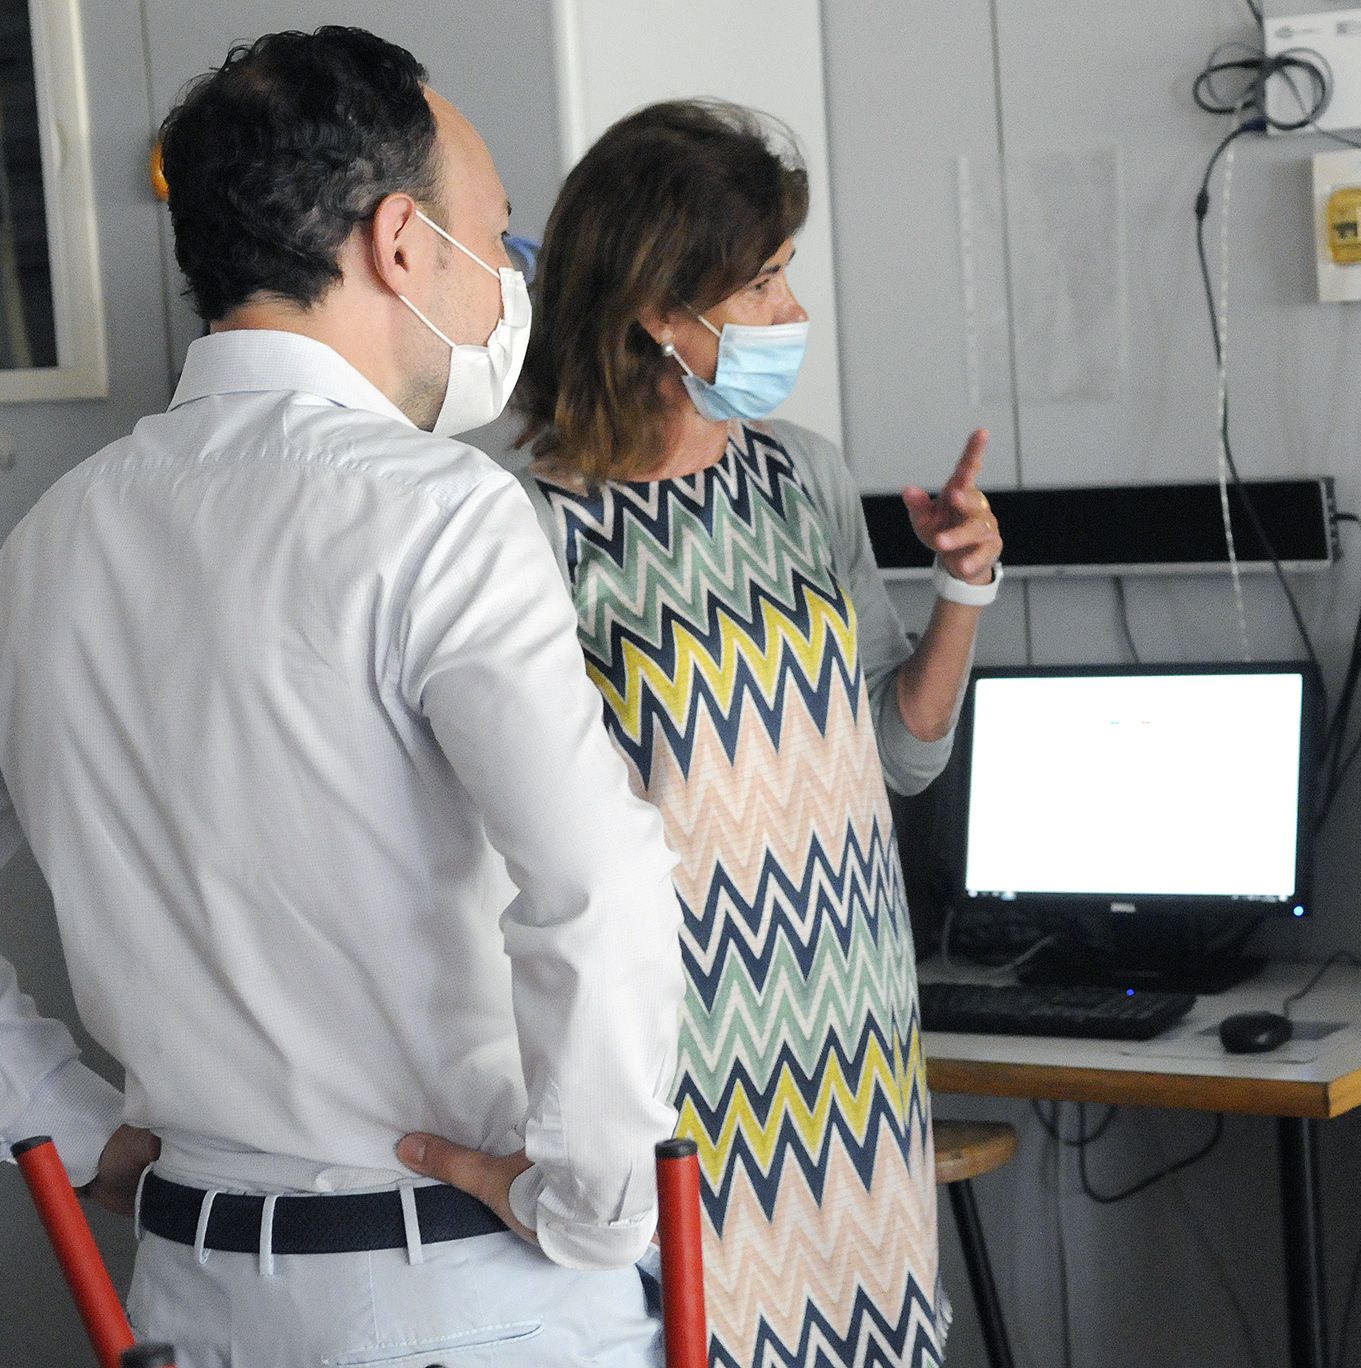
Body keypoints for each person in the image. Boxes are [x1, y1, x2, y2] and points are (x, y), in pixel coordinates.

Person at [0, 27, 685, 1366]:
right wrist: (595, 1203)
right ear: (401, 244)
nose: (507, 282)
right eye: (495, 237)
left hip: (191, 1304)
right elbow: (595, 881)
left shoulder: (53, 540)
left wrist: (71, 1126)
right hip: (468, 1303)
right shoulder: (438, 513)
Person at [405, 99, 999, 1368]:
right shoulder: (521, 525)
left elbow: (899, 756)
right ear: (656, 312)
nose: (793, 311)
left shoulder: (803, 479)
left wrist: (963, 591)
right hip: (675, 1058)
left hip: (851, 1034)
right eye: (764, 281)